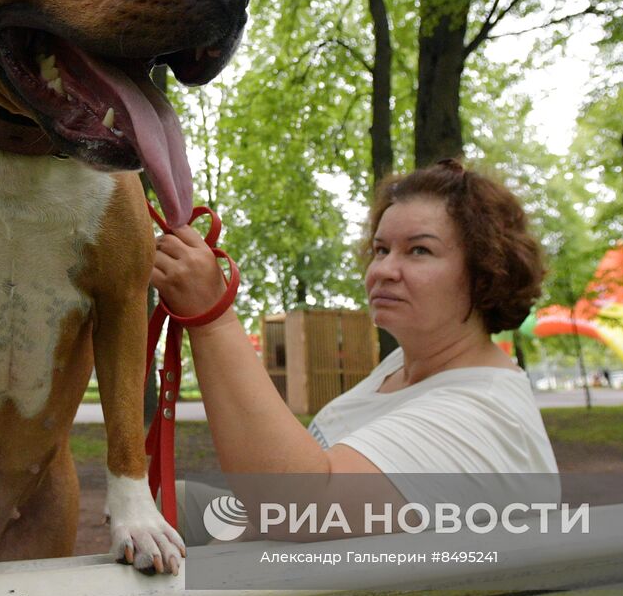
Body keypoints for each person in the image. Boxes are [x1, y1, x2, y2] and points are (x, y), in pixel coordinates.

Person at [151, 159, 558, 546]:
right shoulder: (405, 365)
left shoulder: (483, 417)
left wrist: (212, 317)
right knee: (165, 501)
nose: (382, 270)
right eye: (381, 250)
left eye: (419, 250)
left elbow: (298, 507)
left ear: (486, 271)